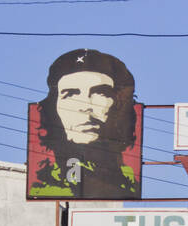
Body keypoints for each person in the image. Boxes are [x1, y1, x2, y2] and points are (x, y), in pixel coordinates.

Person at [28, 48, 139, 199]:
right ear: (53, 107)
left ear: (119, 105)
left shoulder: (131, 184)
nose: (85, 105)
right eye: (71, 94)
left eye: (101, 93)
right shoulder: (41, 185)